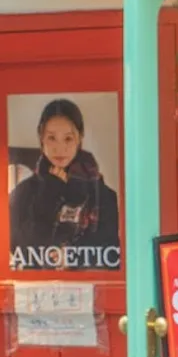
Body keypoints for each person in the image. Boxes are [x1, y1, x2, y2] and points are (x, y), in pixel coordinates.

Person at [9, 99, 121, 269]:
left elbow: (112, 252)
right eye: (52, 138)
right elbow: (19, 248)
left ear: (79, 138)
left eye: (68, 139)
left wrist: (71, 256)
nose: (59, 148)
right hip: (37, 285)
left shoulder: (103, 195)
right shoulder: (23, 193)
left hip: (90, 284)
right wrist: (50, 191)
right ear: (41, 138)